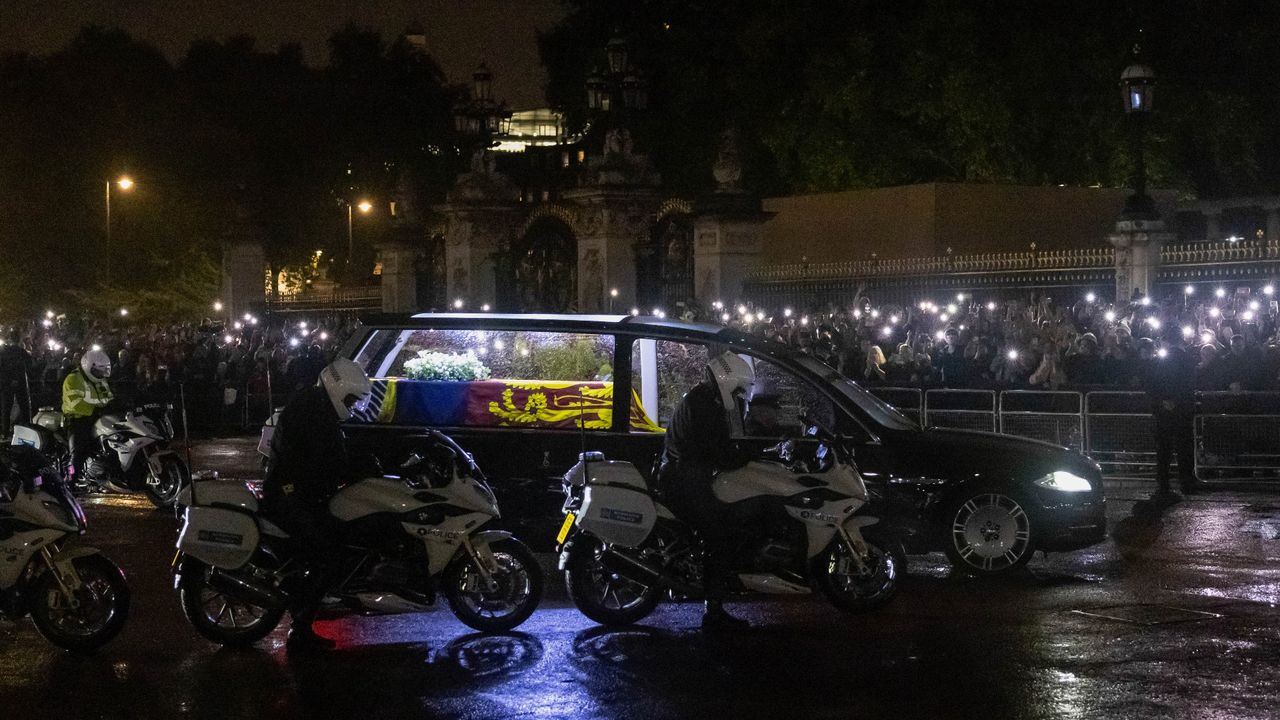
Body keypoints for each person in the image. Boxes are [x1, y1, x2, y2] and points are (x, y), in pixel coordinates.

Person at [260, 358, 373, 651]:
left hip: (297, 490)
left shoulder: (315, 404)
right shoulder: (312, 412)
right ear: (338, 388)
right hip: (290, 495)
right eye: (350, 399)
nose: (351, 406)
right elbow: (327, 458)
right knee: (330, 551)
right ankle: (301, 625)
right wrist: (359, 470)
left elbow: (332, 453)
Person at [657, 351, 754, 630]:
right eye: (737, 389)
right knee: (718, 536)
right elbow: (719, 453)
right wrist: (749, 456)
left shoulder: (701, 398)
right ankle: (714, 611)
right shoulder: (704, 407)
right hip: (683, 481)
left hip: (681, 475)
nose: (738, 396)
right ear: (726, 382)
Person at [1145, 343, 1203, 499]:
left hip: (1163, 413)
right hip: (1181, 412)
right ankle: (1186, 482)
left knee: (1164, 450)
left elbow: (1151, 385)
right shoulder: (1186, 360)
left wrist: (1162, 401)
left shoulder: (1158, 362)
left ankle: (1164, 484)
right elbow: (1189, 385)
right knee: (1183, 449)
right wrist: (1175, 401)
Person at [62, 349, 115, 481]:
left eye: (103, 371)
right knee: (78, 451)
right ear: (88, 366)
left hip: (96, 418)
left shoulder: (100, 380)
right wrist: (98, 407)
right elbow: (76, 403)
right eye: (98, 371)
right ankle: (70, 480)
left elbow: (108, 397)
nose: (101, 374)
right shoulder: (73, 379)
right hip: (77, 419)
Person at [0, 330, 32, 438]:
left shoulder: (3, 352)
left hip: (6, 384)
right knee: (24, 408)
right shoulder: (22, 352)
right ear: (18, 340)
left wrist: (8, 380)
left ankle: (5, 433)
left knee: (6, 408)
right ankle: (26, 430)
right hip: (20, 383)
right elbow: (30, 365)